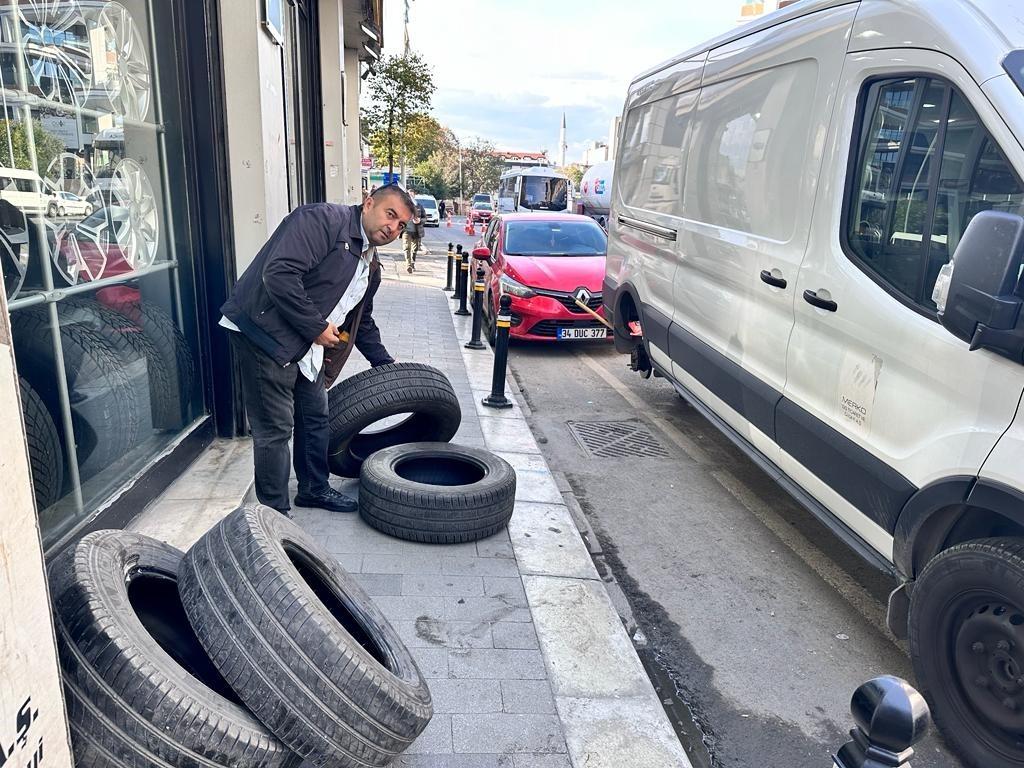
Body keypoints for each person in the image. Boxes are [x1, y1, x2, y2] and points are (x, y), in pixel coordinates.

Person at [219, 185, 416, 516]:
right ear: (369, 203)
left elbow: (360, 320)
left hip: (306, 344)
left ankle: (313, 489)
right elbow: (279, 274)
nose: (393, 228)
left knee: (315, 416)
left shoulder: (370, 264)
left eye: (401, 225)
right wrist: (316, 327)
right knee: (275, 429)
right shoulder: (322, 221)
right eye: (390, 215)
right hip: (263, 334)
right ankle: (273, 513)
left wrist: (384, 363)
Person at [403, 197, 425, 273]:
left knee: (415, 248)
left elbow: (425, 218)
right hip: (406, 231)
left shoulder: (419, 206)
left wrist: (420, 221)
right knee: (407, 247)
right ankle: (408, 265)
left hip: (417, 231)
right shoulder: (404, 206)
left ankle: (412, 262)